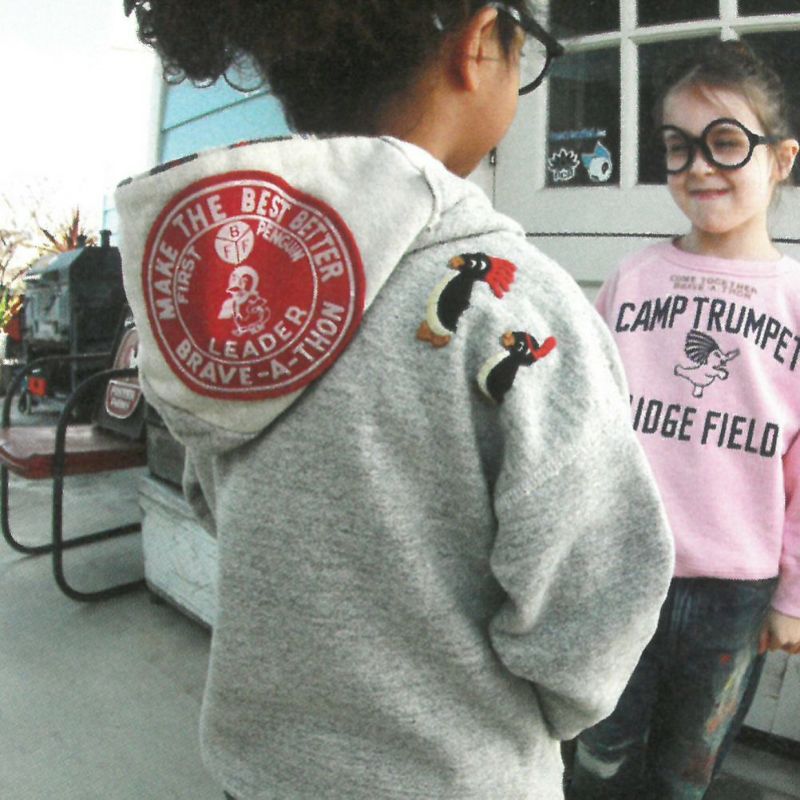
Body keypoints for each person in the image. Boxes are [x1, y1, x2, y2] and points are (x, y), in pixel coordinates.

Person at [117, 2, 673, 798]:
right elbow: (594, 597)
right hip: (456, 777)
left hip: (263, 771)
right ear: (477, 45)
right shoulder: (518, 307)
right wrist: (544, 713)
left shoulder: (230, 301)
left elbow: (212, 497)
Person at [568, 40, 800, 800]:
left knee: (687, 772)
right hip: (621, 571)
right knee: (598, 758)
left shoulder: (796, 301)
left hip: (735, 592)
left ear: (781, 159)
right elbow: (586, 424)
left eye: (725, 143)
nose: (699, 167)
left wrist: (792, 597)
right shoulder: (633, 280)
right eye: (678, 147)